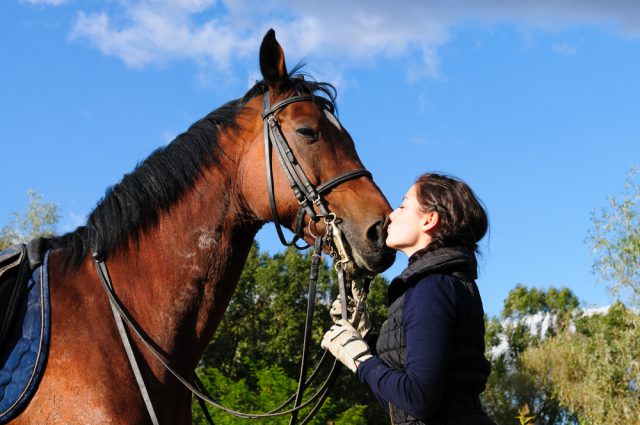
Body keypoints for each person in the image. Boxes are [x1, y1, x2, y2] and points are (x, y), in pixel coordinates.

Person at [322, 172, 496, 425]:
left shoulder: (432, 287)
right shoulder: (438, 283)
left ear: (430, 220)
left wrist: (360, 359)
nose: (392, 214)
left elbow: (418, 399)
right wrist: (364, 339)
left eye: (403, 205)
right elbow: (401, 405)